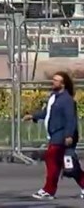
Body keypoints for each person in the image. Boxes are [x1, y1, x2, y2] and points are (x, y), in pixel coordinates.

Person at [26, 71, 84, 200]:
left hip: (61, 135)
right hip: (54, 134)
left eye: (57, 80)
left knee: (52, 161)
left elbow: (71, 119)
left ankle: (48, 190)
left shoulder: (67, 100)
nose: (54, 82)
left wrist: (69, 135)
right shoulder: (53, 97)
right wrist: (33, 116)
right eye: (53, 79)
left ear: (63, 84)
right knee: (70, 165)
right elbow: (47, 113)